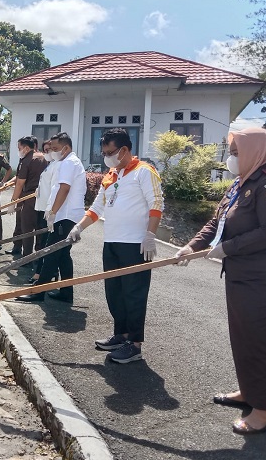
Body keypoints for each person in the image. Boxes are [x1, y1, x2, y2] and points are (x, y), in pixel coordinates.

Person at [174, 128, 266, 434]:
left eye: (236, 152)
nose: (231, 157)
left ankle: (264, 410)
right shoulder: (239, 184)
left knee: (262, 340)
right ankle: (250, 391)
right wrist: (193, 245)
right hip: (244, 273)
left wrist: (227, 248)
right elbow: (216, 222)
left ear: (255, 151)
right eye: (231, 152)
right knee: (244, 337)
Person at [66, 127, 163, 364]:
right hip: (112, 242)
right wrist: (79, 227)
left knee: (134, 294)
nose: (106, 157)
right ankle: (122, 335)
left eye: (110, 152)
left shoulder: (144, 171)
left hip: (135, 245)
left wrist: (150, 235)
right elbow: (97, 208)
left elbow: (157, 204)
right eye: (104, 153)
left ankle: (135, 344)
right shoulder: (111, 175)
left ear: (125, 150)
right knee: (114, 292)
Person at [16, 132, 85, 304]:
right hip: (65, 214)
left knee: (50, 253)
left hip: (64, 215)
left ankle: (38, 292)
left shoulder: (69, 163)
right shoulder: (65, 162)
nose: (52, 151)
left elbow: (64, 189)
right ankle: (66, 292)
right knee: (62, 255)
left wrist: (53, 212)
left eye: (55, 148)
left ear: (66, 147)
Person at [6, 136, 48, 257]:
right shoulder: (43, 157)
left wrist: (13, 202)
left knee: (27, 227)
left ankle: (27, 256)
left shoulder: (26, 160)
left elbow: (20, 183)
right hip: (43, 196)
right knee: (40, 227)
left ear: (26, 148)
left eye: (19, 148)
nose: (18, 150)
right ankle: (39, 257)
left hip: (29, 197)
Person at [30, 140, 59, 284]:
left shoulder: (57, 166)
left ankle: (41, 273)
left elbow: (56, 189)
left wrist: (51, 211)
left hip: (48, 209)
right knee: (41, 241)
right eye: (45, 150)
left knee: (46, 243)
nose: (48, 153)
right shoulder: (49, 165)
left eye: (50, 150)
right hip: (41, 207)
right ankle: (43, 271)